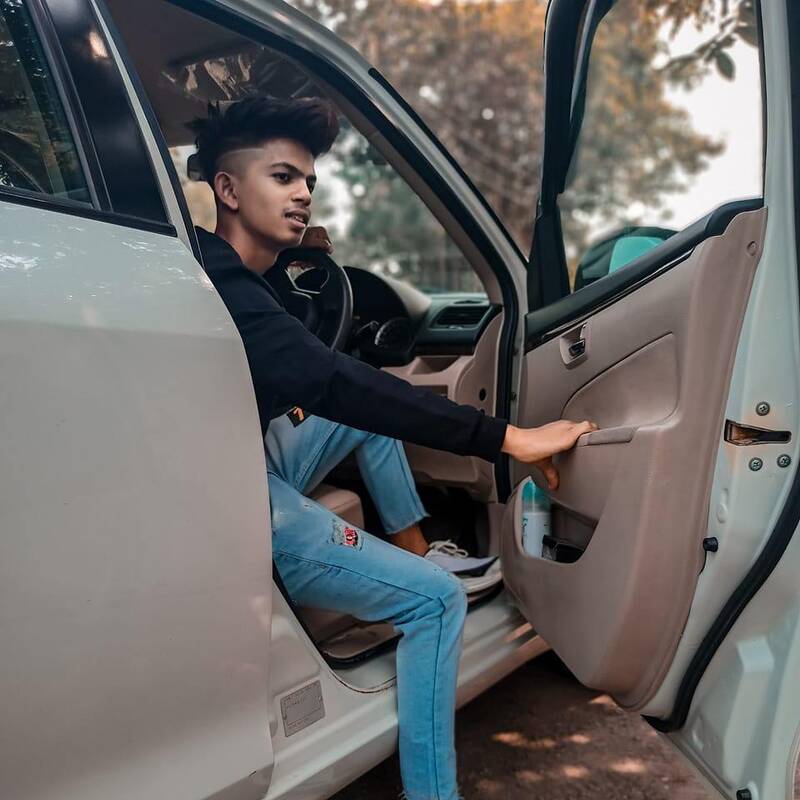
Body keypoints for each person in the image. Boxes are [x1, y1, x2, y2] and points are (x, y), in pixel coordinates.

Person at [189, 96, 596, 800]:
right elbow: (324, 377)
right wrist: (505, 436)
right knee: (437, 603)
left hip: (227, 452)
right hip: (234, 494)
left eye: (308, 182)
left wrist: (293, 266)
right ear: (227, 188)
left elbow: (296, 357)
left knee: (368, 414)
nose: (303, 194)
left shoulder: (223, 269)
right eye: (282, 177)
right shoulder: (221, 283)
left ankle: (418, 549)